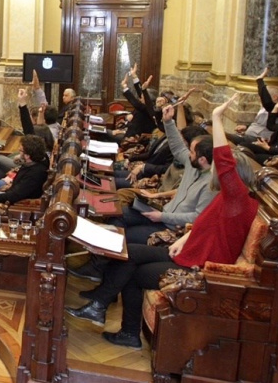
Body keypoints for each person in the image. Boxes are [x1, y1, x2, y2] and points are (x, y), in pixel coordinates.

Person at [65, 94, 259, 350]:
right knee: (128, 253)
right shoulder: (227, 199)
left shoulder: (239, 202)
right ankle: (104, 309)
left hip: (200, 267)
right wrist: (185, 239)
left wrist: (216, 117)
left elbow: (223, 164)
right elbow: (206, 222)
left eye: (220, 169)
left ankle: (120, 325)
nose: (214, 170)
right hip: (187, 251)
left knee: (134, 272)